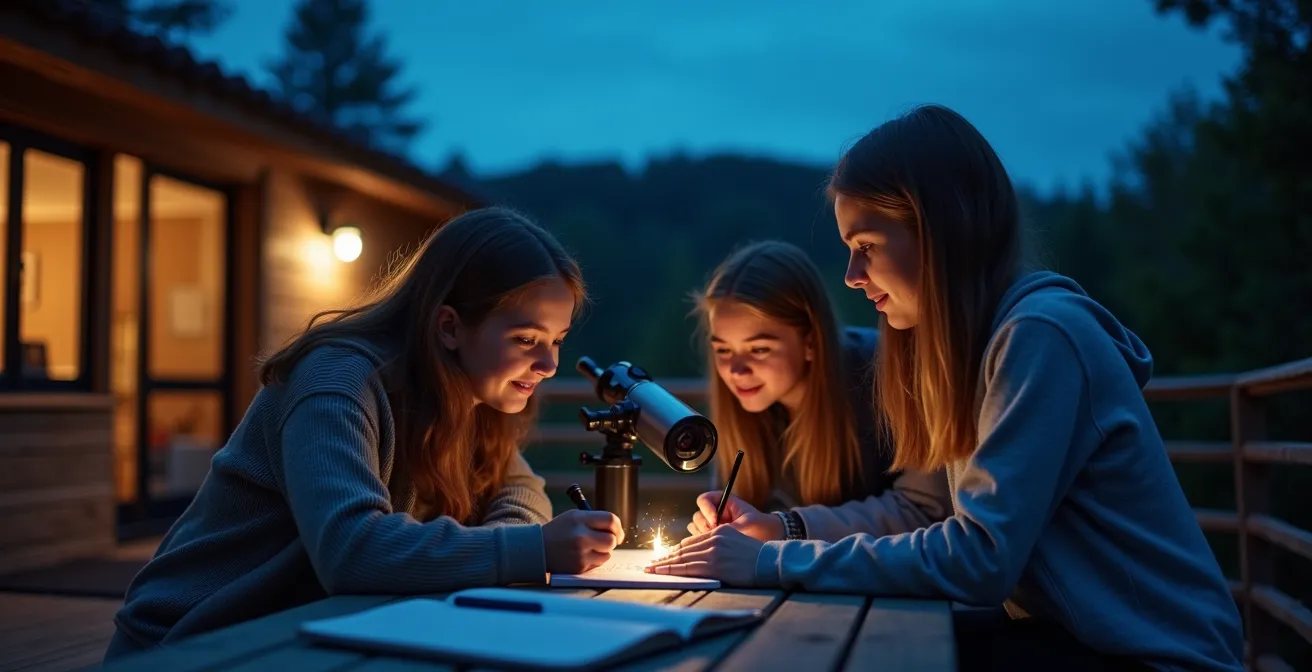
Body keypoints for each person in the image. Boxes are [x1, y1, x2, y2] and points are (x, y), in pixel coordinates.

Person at [649, 105, 1244, 672]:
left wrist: (771, 559)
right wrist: (778, 535)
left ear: (938, 229)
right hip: (1069, 636)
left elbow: (980, 556)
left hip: (1156, 655)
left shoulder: (1041, 336)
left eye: (866, 248)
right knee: (844, 643)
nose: (854, 277)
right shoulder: (974, 347)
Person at [105, 207, 623, 660]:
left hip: (304, 633)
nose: (550, 363)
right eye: (526, 338)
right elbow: (351, 551)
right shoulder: (336, 384)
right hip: (190, 644)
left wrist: (508, 542)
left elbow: (520, 488)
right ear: (448, 327)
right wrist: (528, 549)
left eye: (557, 339)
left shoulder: (471, 396)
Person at [685, 240, 949, 545]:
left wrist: (785, 527)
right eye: (723, 350)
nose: (736, 371)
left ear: (810, 341)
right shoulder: (746, 409)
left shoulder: (887, 379)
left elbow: (927, 510)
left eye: (759, 349)